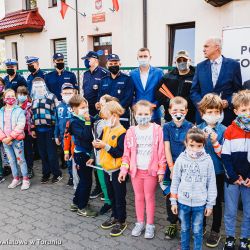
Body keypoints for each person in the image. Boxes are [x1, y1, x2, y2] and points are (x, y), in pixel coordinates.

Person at [118, 100, 166, 239]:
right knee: (138, 197)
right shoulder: (131, 131)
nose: (143, 116)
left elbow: (161, 152)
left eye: (146, 113)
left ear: (151, 114)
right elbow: (126, 154)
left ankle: (150, 224)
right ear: (134, 114)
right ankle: (140, 222)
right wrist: (123, 170)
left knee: (149, 197)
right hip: (136, 171)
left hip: (150, 171)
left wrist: (161, 170)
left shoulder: (157, 130)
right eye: (140, 113)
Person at [170, 127, 217, 250]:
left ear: (203, 145)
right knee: (184, 229)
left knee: (197, 230)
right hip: (183, 202)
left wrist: (210, 204)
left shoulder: (208, 161)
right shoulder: (180, 160)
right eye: (191, 145)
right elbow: (175, 181)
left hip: (200, 204)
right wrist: (173, 201)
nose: (195, 149)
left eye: (199, 146)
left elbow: (211, 183)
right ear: (186, 143)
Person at [93, 101, 127, 237]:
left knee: (119, 197)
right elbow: (100, 143)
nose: (104, 121)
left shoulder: (122, 132)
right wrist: (96, 145)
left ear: (114, 115)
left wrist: (105, 146)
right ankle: (114, 216)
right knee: (111, 195)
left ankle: (121, 220)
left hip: (117, 170)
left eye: (106, 118)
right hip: (106, 168)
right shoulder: (107, 128)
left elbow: (119, 152)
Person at [190, 37, 242, 126]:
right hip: (203, 117)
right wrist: (202, 105)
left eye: (206, 46)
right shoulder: (200, 67)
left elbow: (238, 91)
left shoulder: (233, 65)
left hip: (226, 116)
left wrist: (228, 102)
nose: (203, 50)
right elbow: (194, 91)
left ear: (217, 47)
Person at [221, 90, 250, 250]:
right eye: (244, 110)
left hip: (249, 181)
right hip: (232, 180)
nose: (248, 113)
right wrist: (233, 176)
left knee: (248, 213)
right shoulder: (230, 131)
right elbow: (225, 156)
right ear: (236, 111)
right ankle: (230, 238)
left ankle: (245, 239)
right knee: (231, 212)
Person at [197, 94, 226, 248]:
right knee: (201, 200)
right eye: (209, 112)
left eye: (216, 112)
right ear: (202, 113)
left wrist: (215, 141)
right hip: (201, 173)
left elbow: (224, 155)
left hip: (218, 172)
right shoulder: (198, 129)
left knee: (216, 203)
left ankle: (215, 230)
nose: (213, 115)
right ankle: (201, 225)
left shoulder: (224, 130)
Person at [162, 96, 193, 240]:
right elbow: (166, 148)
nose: (178, 113)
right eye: (175, 110)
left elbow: (190, 149)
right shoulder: (167, 127)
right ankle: (172, 223)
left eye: (181, 110)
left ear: (186, 111)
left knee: (185, 195)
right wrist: (172, 167)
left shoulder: (190, 127)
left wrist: (180, 168)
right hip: (171, 166)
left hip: (186, 167)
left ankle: (185, 224)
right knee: (171, 195)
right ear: (169, 111)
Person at [68, 95, 98, 218]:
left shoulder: (85, 117)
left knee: (83, 180)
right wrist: (87, 121)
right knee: (86, 181)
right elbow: (85, 136)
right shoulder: (74, 122)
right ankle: (82, 207)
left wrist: (100, 110)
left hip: (86, 153)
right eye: (82, 107)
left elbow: (95, 119)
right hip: (82, 155)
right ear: (74, 109)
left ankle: (76, 202)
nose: (85, 110)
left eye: (86, 107)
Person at [30, 77, 62, 184]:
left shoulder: (52, 96)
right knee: (43, 154)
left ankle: (57, 174)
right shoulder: (33, 98)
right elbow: (32, 115)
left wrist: (56, 130)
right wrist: (33, 128)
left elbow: (57, 113)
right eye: (36, 85)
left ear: (44, 85)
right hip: (39, 131)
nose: (38, 87)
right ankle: (46, 174)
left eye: (40, 85)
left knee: (52, 154)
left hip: (50, 129)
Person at [0, 89, 30, 190]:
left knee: (20, 160)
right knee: (11, 161)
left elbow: (21, 124)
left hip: (16, 140)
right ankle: (16, 178)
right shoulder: (1, 111)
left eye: (12, 96)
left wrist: (11, 137)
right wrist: (3, 138)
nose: (10, 98)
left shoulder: (19, 110)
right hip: (5, 141)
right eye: (8, 96)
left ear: (15, 98)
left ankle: (25, 179)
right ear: (4, 99)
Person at [93, 94, 118, 215]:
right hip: (99, 158)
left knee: (112, 185)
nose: (99, 106)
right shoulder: (98, 122)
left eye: (102, 105)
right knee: (103, 183)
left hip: (110, 159)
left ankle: (114, 205)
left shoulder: (112, 123)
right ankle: (108, 202)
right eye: (100, 104)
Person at [155, 50, 196, 123]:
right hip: (170, 118)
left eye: (184, 60)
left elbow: (197, 93)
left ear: (189, 61)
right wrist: (169, 101)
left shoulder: (196, 76)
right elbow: (158, 92)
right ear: (175, 62)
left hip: (189, 118)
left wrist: (185, 102)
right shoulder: (167, 77)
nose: (182, 62)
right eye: (179, 60)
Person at [97, 54, 134, 129]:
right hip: (106, 116)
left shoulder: (127, 79)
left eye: (115, 63)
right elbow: (100, 97)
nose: (113, 65)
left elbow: (128, 98)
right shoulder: (103, 80)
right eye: (110, 64)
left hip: (121, 116)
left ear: (119, 64)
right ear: (107, 65)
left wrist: (114, 110)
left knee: (122, 138)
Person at [130, 48, 164, 125]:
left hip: (154, 113)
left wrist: (155, 104)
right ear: (137, 58)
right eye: (141, 56)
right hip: (139, 113)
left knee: (156, 135)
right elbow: (130, 92)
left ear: (150, 57)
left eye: (145, 56)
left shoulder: (158, 72)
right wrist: (134, 105)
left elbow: (163, 92)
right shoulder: (132, 74)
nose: (143, 58)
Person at [55, 83, 75, 186]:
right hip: (64, 137)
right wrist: (56, 135)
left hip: (75, 137)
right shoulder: (59, 106)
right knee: (67, 157)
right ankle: (71, 176)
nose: (67, 95)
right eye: (65, 93)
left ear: (74, 93)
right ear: (61, 94)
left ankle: (77, 176)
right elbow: (57, 122)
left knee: (75, 157)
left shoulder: (76, 105)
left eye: (70, 93)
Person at [81, 51, 108, 116]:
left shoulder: (104, 73)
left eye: (88, 59)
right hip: (87, 107)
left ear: (95, 60)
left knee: (98, 125)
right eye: (85, 60)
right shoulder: (86, 74)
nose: (86, 61)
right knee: (87, 124)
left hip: (99, 107)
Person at [17, 86, 34, 179]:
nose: (22, 96)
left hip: (27, 132)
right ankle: (22, 170)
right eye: (20, 94)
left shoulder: (29, 105)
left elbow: (32, 119)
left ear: (27, 95)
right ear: (17, 94)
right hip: (17, 133)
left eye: (24, 94)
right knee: (20, 152)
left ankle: (30, 168)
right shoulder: (14, 105)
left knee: (28, 151)